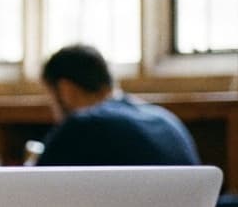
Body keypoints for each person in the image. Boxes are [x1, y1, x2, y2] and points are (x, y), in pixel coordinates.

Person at [36, 44, 199, 167]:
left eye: (50, 98)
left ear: (66, 90)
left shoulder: (81, 126)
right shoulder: (166, 119)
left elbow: (35, 191)